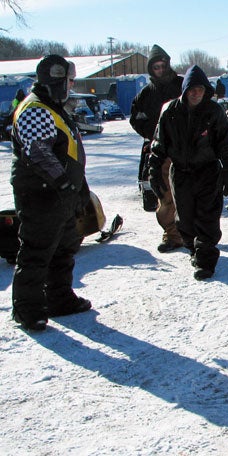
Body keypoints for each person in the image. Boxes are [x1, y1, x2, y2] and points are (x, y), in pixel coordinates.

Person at [10, 54, 92, 330]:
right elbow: (38, 152)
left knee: (64, 247)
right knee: (37, 250)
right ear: (54, 80)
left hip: (60, 192)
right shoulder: (35, 108)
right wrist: (64, 183)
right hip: (41, 192)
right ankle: (27, 309)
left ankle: (59, 299)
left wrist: (79, 188)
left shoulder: (54, 107)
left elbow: (68, 150)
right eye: (68, 81)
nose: (70, 86)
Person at [148, 65, 228, 280]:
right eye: (192, 89)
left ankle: (206, 260)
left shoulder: (214, 112)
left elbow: (225, 143)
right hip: (181, 173)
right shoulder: (170, 112)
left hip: (208, 172)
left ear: (206, 90)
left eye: (200, 89)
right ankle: (194, 248)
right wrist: (153, 170)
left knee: (207, 218)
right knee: (185, 220)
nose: (196, 93)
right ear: (185, 90)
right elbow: (159, 144)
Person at [129, 44, 184, 253]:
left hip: (185, 150)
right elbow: (136, 118)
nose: (160, 70)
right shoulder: (146, 94)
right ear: (151, 70)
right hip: (161, 152)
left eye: (163, 66)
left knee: (190, 195)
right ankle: (171, 234)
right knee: (165, 196)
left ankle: (194, 233)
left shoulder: (182, 86)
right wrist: (151, 134)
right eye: (156, 67)